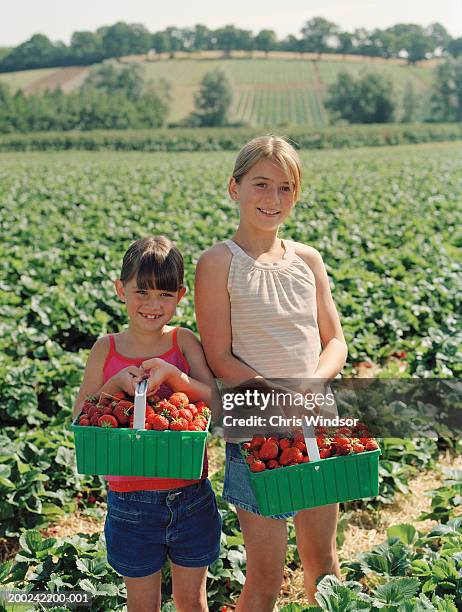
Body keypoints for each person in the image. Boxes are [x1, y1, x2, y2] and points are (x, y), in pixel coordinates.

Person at [194, 136, 348, 611]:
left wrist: (312, 385)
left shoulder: (308, 260)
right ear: (233, 188)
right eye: (261, 184)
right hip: (258, 430)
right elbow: (219, 356)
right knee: (264, 580)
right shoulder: (218, 263)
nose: (273, 199)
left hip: (314, 423)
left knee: (324, 567)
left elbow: (335, 340)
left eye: (285, 188)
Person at [73, 236, 221, 612]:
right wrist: (114, 385)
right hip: (129, 501)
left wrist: (174, 376)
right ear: (121, 289)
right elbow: (80, 417)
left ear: (181, 295)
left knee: (192, 601)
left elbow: (215, 404)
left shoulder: (184, 342)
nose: (153, 305)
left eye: (165, 295)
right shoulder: (105, 349)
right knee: (142, 605)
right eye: (142, 292)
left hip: (191, 494)